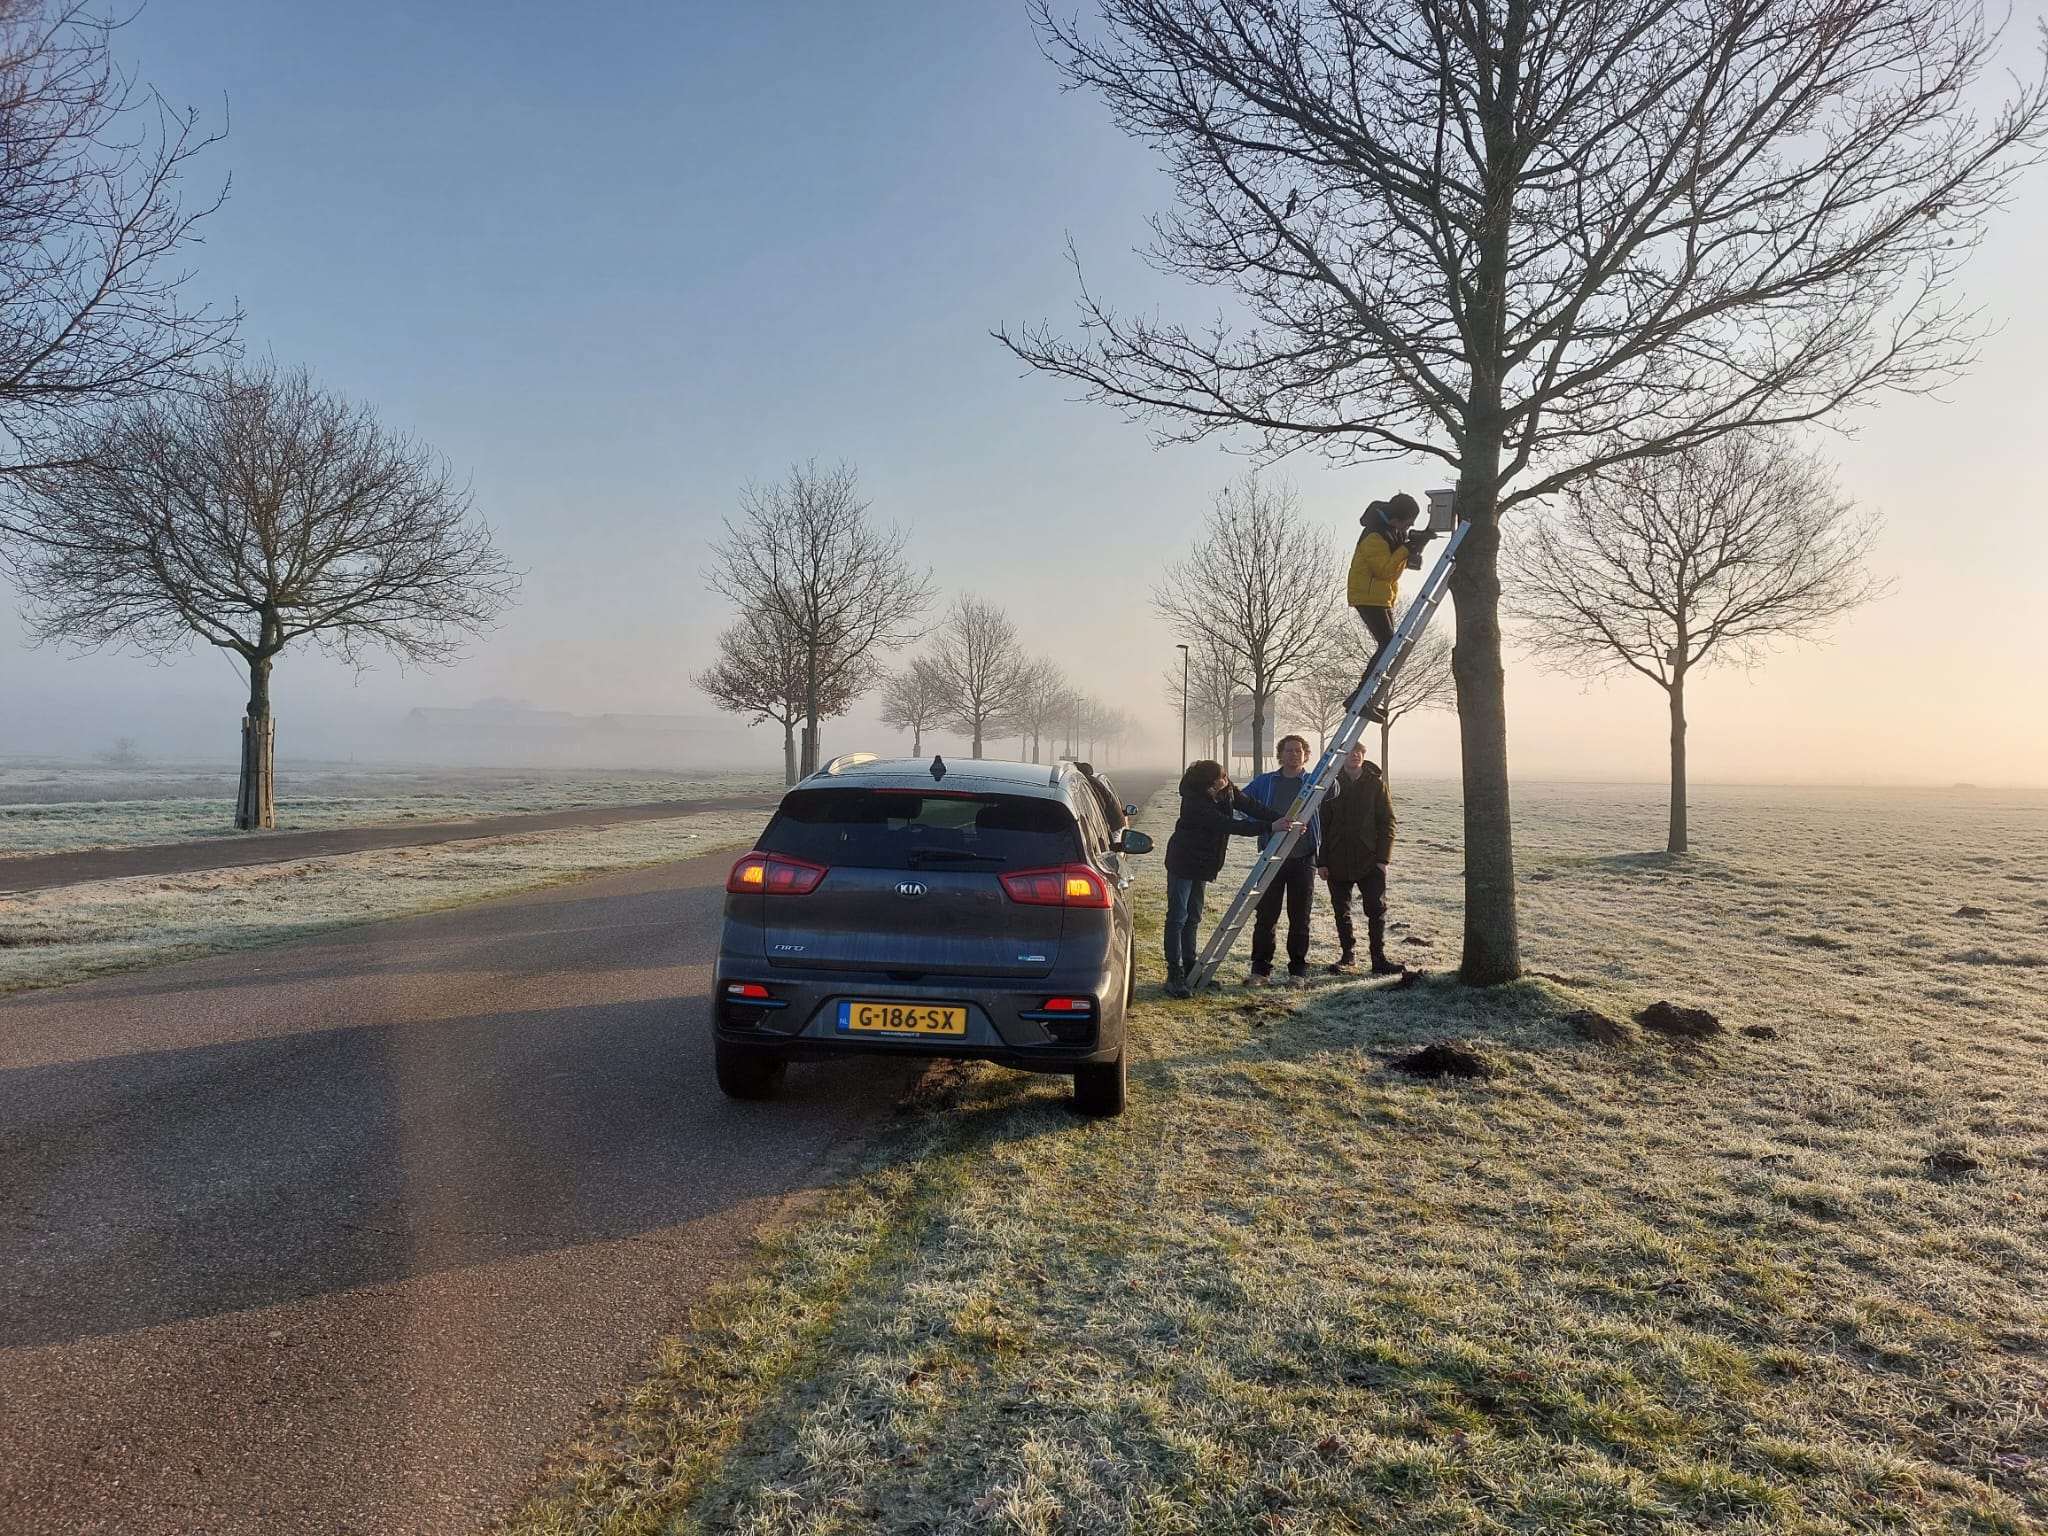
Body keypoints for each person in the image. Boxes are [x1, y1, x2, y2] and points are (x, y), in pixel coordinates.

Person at [1161, 759, 1293, 998]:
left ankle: (1191, 967)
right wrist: (1269, 827)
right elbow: (1228, 824)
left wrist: (1281, 820)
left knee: (1193, 916)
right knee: (1178, 917)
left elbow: (1251, 806)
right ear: (1210, 784)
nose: (1226, 778)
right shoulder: (1194, 801)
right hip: (1184, 861)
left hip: (1203, 864)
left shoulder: (1226, 789)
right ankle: (1174, 974)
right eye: (1222, 776)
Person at [1242, 734, 1338, 988]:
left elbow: (1335, 790)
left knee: (1300, 917)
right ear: (1280, 755)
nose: (1294, 754)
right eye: (1288, 750)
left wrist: (1328, 773)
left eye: (1298, 751)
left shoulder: (1313, 782)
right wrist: (1264, 826)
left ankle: (1297, 972)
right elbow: (1242, 803)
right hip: (1271, 858)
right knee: (1266, 916)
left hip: (1303, 859)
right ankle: (1260, 970)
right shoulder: (1265, 782)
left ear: (1306, 755)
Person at [1345, 492, 1434, 718]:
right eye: (1409, 522)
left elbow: (1396, 561)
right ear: (1398, 518)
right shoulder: (1374, 535)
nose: (1410, 525)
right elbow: (1385, 571)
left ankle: (1363, 698)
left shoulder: (1391, 530)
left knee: (1389, 645)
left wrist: (1416, 544)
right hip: (1368, 595)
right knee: (1387, 644)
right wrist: (1407, 548)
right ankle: (1359, 698)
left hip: (1379, 595)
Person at [1316, 742, 1401, 975]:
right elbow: (1321, 825)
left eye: (1358, 752)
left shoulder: (1376, 784)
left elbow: (1387, 822)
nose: (1354, 756)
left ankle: (1379, 959)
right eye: (1350, 753)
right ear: (1341, 757)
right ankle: (1348, 957)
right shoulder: (1328, 785)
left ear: (1363, 756)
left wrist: (1383, 859)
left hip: (1370, 859)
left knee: (1376, 908)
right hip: (1336, 859)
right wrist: (1321, 862)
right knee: (1340, 910)